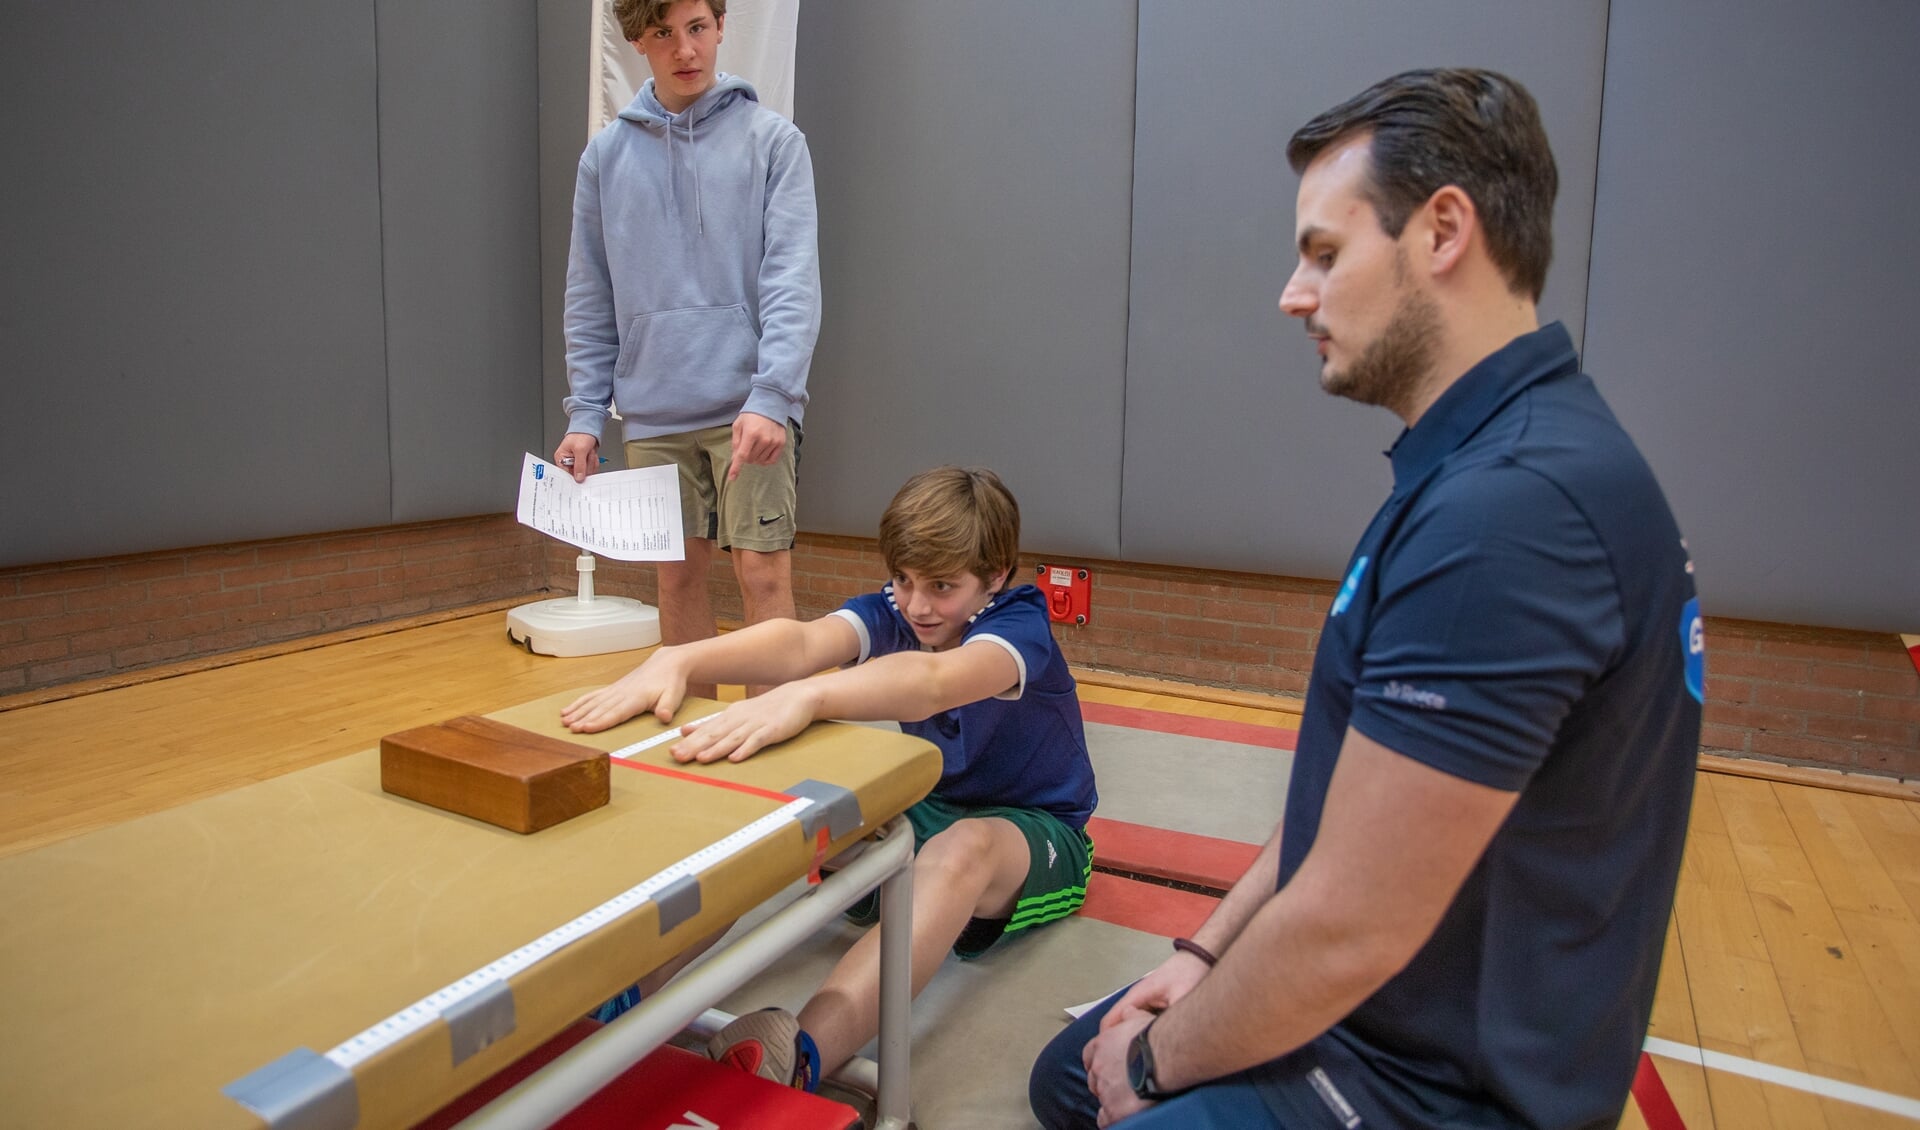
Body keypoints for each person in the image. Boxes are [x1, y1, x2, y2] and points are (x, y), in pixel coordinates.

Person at [1029, 68, 1705, 1129]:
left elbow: (1347, 927)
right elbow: (1350, 816)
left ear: (1443, 231)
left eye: (1324, 252)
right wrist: (1207, 952)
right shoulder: (1508, 455)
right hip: (1382, 1016)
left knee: (1115, 1078)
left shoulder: (1511, 514)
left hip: (1434, 1090)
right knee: (1071, 1070)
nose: (1294, 294)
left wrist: (1157, 1063)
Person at [564, 465, 1100, 1092]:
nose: (919, 604)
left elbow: (931, 685)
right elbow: (800, 643)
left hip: (1034, 834)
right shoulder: (899, 611)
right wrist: (680, 657)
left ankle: (801, 1052)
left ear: (996, 577)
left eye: (942, 587)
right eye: (903, 580)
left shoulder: (1019, 626)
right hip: (926, 809)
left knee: (964, 849)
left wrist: (810, 697)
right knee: (779, 808)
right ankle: (619, 994)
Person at [555, 0, 820, 699]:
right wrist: (585, 416)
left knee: (762, 576)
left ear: (721, 26)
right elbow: (589, 294)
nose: (686, 49)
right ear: (638, 40)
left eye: (697, 27)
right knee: (677, 577)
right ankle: (699, 748)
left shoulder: (774, 142)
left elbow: (794, 282)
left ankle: (774, 743)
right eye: (665, 33)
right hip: (653, 413)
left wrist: (773, 397)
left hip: (749, 410)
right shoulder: (605, 159)